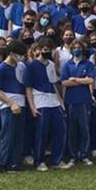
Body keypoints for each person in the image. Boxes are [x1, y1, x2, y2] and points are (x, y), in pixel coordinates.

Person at [24, 41, 69, 170]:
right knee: (42, 132)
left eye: (49, 49)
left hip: (54, 101)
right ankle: (39, 161)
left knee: (60, 130)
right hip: (40, 101)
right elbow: (28, 88)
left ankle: (57, 159)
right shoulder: (32, 66)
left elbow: (55, 84)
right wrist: (32, 107)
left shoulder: (51, 65)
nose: (46, 52)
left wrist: (61, 102)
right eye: (44, 49)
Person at [0, 40, 27, 172]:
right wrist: (11, 103)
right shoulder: (1, 69)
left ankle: (15, 162)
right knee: (8, 134)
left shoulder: (19, 67)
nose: (21, 57)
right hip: (8, 104)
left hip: (20, 102)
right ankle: (4, 162)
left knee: (18, 134)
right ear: (11, 54)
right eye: (19, 54)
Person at [61, 40, 95, 166]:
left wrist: (75, 79)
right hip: (70, 100)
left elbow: (91, 80)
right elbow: (64, 82)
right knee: (72, 129)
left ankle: (84, 154)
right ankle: (73, 155)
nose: (76, 49)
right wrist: (82, 81)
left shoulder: (88, 64)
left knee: (84, 128)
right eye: (74, 47)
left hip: (84, 100)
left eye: (79, 47)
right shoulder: (67, 65)